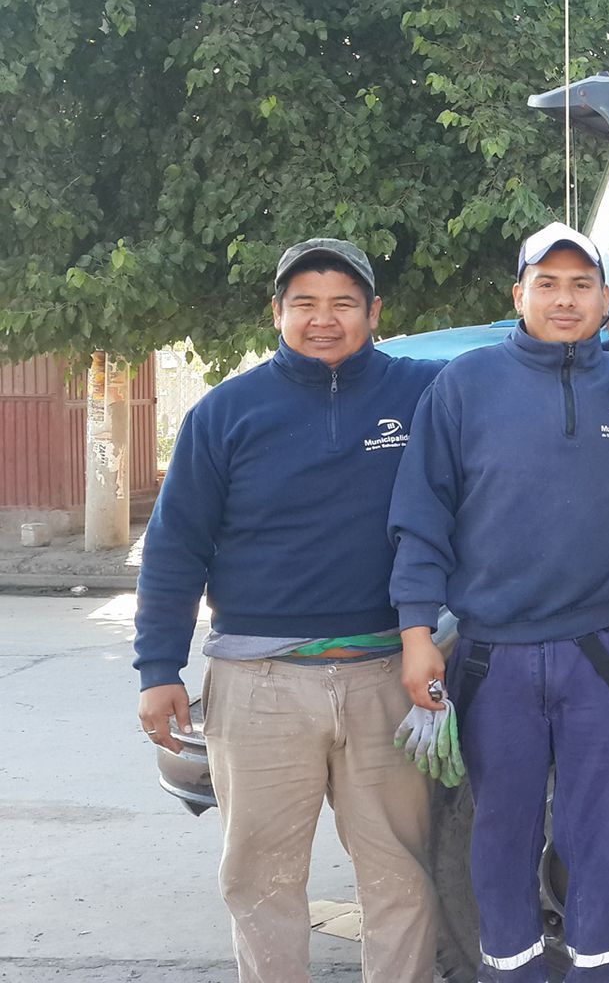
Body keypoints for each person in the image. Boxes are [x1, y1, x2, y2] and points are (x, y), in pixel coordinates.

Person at [132, 238, 442, 983]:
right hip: (258, 684)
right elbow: (176, 547)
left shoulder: (425, 393)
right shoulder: (225, 414)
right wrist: (157, 667)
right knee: (260, 883)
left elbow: (532, 364)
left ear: (374, 313)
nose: (323, 319)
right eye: (304, 303)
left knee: (401, 881)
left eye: (342, 303)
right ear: (277, 313)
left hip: (386, 679)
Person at [388, 222, 609, 983]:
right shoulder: (465, 384)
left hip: (600, 655)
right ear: (519, 295)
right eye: (547, 284)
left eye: (581, 285)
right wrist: (415, 635)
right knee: (500, 839)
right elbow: (421, 516)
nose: (564, 300)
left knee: (601, 842)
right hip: (492, 657)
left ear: (606, 301)